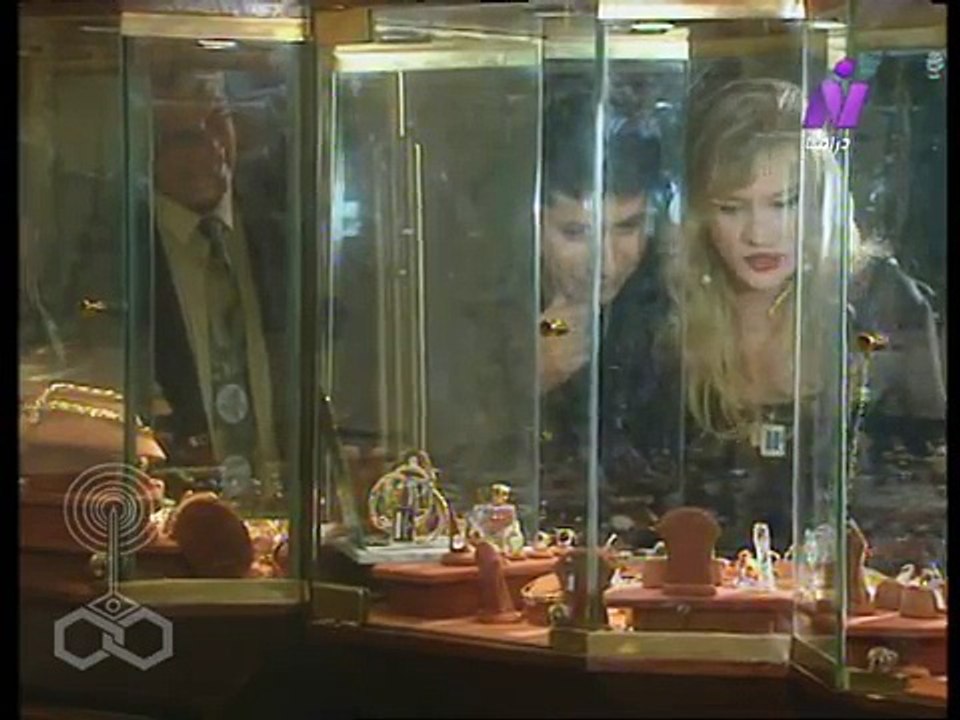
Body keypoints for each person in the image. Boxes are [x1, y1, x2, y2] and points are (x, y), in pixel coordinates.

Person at [627, 78, 945, 565]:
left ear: (821, 201)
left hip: (854, 595)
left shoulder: (878, 301)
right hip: (693, 594)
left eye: (784, 203)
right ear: (700, 216)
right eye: (731, 208)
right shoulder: (665, 309)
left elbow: (929, 485)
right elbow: (629, 497)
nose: (759, 234)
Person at [147, 65, 291, 497]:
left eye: (217, 121)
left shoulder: (280, 234)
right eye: (185, 136)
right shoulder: (113, 250)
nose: (210, 148)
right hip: (177, 509)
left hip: (286, 509)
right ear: (148, 144)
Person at [537, 87, 670, 528]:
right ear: (532, 221)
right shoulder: (481, 308)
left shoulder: (670, 301)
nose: (607, 263)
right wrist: (528, 381)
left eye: (628, 228)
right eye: (575, 233)